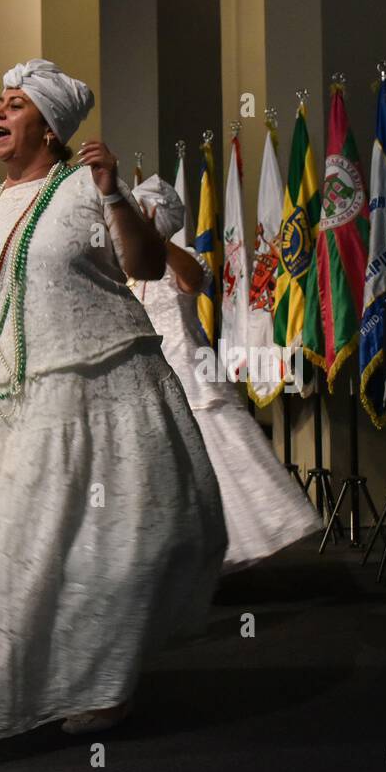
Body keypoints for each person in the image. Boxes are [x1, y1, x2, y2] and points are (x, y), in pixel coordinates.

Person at [0, 58, 227, 743]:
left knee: (106, 552)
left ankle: (103, 682)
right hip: (11, 408)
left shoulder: (84, 190)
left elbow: (147, 267)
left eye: (17, 104)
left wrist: (114, 192)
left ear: (51, 127)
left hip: (103, 395)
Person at [130, 175, 319, 572]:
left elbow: (194, 282)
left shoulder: (180, 259)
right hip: (143, 380)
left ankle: (215, 551)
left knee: (218, 466)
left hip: (190, 375)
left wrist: (156, 242)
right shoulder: (127, 268)